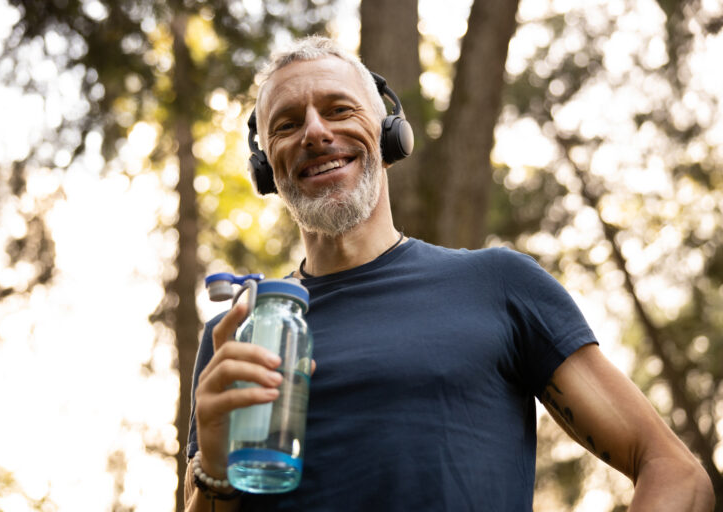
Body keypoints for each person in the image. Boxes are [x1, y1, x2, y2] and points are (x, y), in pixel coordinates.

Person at [184, 35, 714, 511]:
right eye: (288, 123)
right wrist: (212, 458)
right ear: (265, 167)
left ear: (389, 135)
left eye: (339, 110)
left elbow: (675, 474)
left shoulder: (499, 286)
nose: (316, 132)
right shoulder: (240, 334)